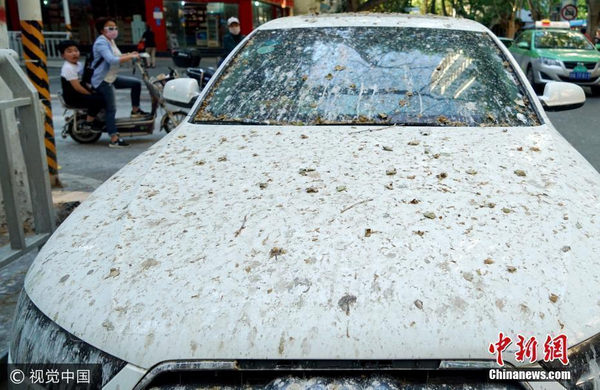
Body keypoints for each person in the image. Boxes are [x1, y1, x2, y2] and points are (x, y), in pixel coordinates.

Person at [92, 17, 149, 148]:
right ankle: (114, 138)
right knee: (111, 109)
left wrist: (130, 54)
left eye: (115, 28)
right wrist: (131, 57)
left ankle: (136, 111)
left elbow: (117, 56)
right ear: (102, 30)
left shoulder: (110, 41)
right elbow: (111, 59)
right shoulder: (101, 42)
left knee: (136, 83)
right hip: (103, 80)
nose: (114, 30)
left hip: (111, 77)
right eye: (110, 28)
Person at [58, 40, 104, 131]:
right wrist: (91, 94)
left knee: (100, 95)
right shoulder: (68, 67)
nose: (74, 53)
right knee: (98, 100)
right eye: (69, 51)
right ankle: (88, 123)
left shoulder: (78, 64)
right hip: (73, 97)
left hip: (77, 94)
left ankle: (96, 118)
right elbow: (77, 87)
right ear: (63, 55)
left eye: (76, 50)